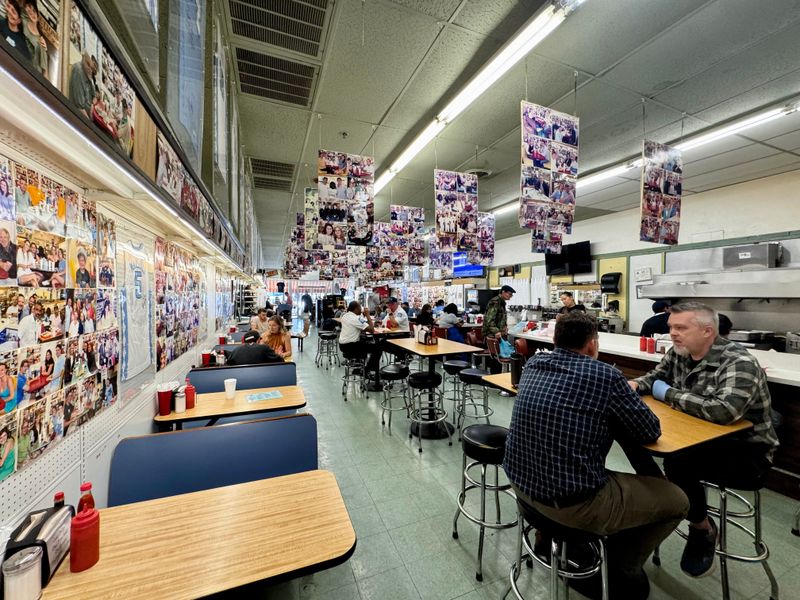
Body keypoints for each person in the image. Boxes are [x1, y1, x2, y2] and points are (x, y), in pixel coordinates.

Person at [504, 312, 689, 598]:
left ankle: (552, 535)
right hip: (571, 503)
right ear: (592, 345)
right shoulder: (606, 376)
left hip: (522, 487)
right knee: (678, 500)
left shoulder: (534, 365)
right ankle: (619, 566)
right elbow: (649, 431)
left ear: (555, 340)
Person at [629, 302, 779, 578]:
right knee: (631, 438)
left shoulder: (739, 361)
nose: (671, 333)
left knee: (678, 463)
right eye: (671, 327)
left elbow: (724, 411)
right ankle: (671, 500)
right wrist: (637, 384)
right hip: (700, 436)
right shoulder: (680, 353)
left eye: (680, 328)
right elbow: (656, 377)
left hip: (748, 452)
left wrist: (668, 394)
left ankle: (702, 528)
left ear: (707, 331)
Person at [69, 53, 96, 118]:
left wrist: (92, 105)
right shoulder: (79, 71)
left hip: (90, 112)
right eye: (90, 67)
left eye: (93, 70)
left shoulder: (88, 74)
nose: (91, 71)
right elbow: (80, 107)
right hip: (80, 115)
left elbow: (94, 95)